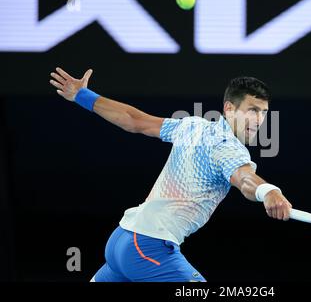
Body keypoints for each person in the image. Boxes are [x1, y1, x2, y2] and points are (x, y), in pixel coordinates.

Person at [49, 67, 292, 282]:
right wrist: (268, 191)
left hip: (122, 241)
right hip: (148, 247)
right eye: (252, 110)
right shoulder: (228, 148)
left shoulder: (193, 125)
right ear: (229, 108)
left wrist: (82, 95)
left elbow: (135, 120)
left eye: (263, 112)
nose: (258, 120)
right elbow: (243, 177)